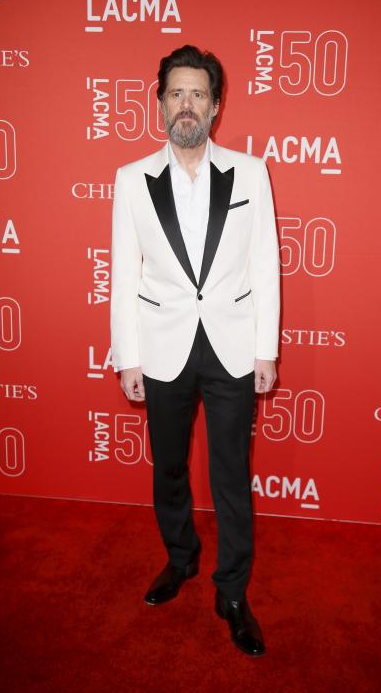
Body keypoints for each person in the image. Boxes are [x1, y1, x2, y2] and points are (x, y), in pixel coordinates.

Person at [110, 44, 280, 657]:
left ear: (217, 106)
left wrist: (266, 350)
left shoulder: (251, 173)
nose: (187, 104)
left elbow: (267, 263)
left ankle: (232, 592)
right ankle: (180, 559)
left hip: (233, 348)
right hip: (162, 348)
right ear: (159, 103)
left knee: (232, 477)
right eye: (176, 93)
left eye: (199, 94)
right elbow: (123, 273)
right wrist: (127, 356)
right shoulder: (131, 180)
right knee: (170, 470)